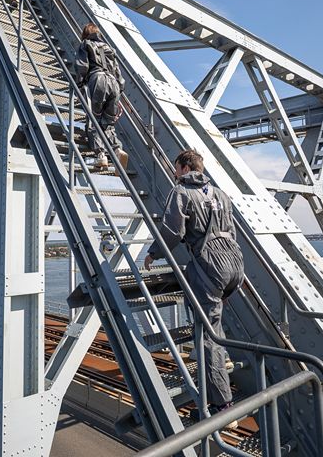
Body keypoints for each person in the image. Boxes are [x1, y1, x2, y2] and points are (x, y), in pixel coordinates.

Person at [145, 149, 244, 427]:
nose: (174, 172)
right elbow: (232, 232)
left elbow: (173, 231)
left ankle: (222, 405)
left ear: (186, 168)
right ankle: (222, 361)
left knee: (206, 335)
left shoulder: (181, 192)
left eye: (176, 167)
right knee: (214, 322)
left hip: (210, 264)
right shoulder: (221, 194)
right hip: (234, 263)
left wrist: (153, 253)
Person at [75, 23, 129, 169]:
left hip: (97, 79)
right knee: (108, 122)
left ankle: (101, 155)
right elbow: (118, 72)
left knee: (94, 119)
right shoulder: (109, 48)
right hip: (114, 83)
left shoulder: (85, 44)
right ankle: (117, 149)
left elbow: (82, 66)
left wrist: (79, 83)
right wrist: (119, 90)